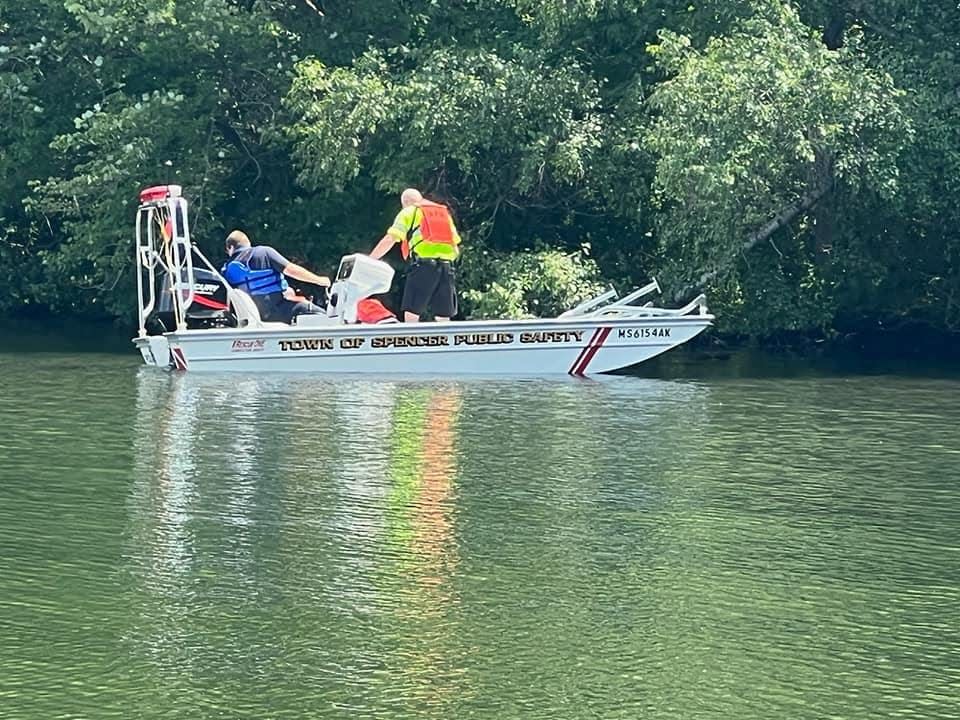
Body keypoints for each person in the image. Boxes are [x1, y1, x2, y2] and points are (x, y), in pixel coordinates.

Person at [369, 188, 461, 323]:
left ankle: (411, 341)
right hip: (447, 268)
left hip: (424, 266)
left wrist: (370, 259)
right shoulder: (443, 214)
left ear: (405, 202)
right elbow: (455, 247)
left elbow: (391, 239)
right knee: (443, 314)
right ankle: (445, 342)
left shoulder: (409, 211)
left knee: (412, 310)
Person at [221, 230, 331, 324]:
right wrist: (319, 280)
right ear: (248, 243)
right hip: (277, 311)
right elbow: (291, 270)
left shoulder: (226, 269)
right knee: (322, 315)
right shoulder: (263, 252)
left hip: (252, 317)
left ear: (230, 247)